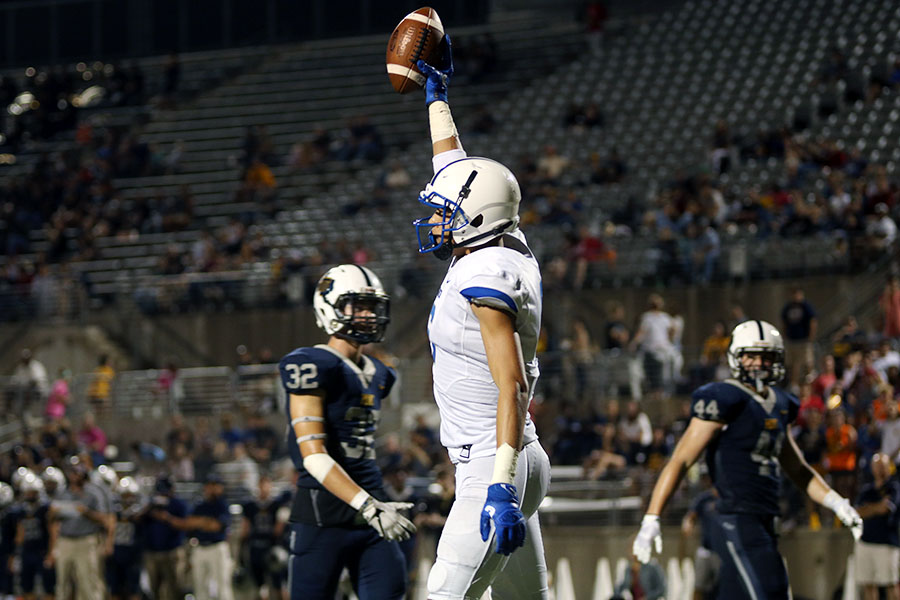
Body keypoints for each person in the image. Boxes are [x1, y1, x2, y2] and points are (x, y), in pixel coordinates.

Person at [411, 36, 551, 599]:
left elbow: (511, 385)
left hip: (494, 465)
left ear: (473, 219)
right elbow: (458, 171)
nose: (437, 221)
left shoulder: (484, 274)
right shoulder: (505, 241)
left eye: (446, 215)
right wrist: (436, 98)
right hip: (520, 454)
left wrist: (498, 488)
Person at [633, 320, 862, 599]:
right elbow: (681, 459)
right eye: (750, 355)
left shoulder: (780, 403)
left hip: (767, 517)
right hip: (737, 516)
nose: (758, 363)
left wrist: (837, 503)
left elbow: (797, 469)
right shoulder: (724, 398)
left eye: (765, 356)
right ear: (736, 357)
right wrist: (652, 517)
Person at [279, 264, 412, 600]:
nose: (368, 315)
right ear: (330, 307)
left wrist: (374, 506)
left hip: (373, 514)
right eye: (358, 306)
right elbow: (313, 456)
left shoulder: (381, 372)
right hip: (323, 516)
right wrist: (368, 506)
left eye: (372, 307)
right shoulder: (311, 363)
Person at [155, 473, 233, 600]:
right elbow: (189, 523)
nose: (212, 488)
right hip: (200, 547)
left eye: (215, 485)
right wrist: (205, 522)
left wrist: (200, 522)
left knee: (222, 588)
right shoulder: (200, 505)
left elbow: (217, 526)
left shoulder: (222, 505)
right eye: (210, 485)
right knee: (200, 589)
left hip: (217, 547)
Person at [47, 458, 110, 600]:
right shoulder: (62, 492)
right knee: (62, 581)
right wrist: (52, 513)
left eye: (76, 471)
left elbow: (104, 519)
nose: (74, 475)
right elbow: (51, 521)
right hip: (65, 540)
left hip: (86, 541)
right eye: (71, 471)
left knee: (88, 581)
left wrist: (86, 512)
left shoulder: (93, 492)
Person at [854, 452, 900, 600]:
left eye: (883, 466)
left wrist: (869, 508)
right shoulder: (867, 489)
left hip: (886, 543)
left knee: (890, 583)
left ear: (889, 467)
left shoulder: (894, 487)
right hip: (865, 541)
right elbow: (857, 512)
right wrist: (876, 507)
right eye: (877, 466)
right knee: (868, 584)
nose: (880, 470)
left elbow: (886, 508)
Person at [240, 474, 290, 600]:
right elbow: (245, 528)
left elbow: (279, 528)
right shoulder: (250, 505)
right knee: (261, 586)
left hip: (272, 547)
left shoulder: (278, 505)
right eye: (262, 485)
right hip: (256, 546)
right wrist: (242, 546)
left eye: (266, 485)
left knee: (279, 584)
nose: (264, 488)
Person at [15, 473, 54, 600]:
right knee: (27, 586)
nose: (30, 495)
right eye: (28, 492)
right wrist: (17, 552)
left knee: (48, 586)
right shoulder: (20, 510)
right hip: (27, 550)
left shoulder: (45, 508)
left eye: (33, 492)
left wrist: (51, 552)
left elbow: (52, 530)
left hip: (41, 550)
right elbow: (19, 533)